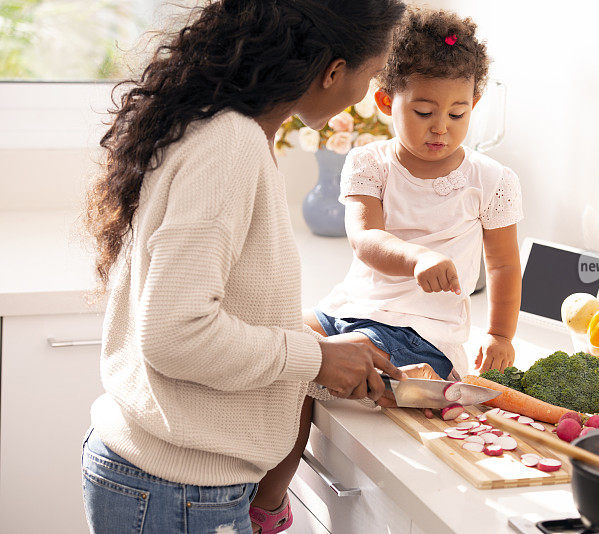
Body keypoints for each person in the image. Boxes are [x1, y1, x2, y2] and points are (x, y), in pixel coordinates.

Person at [81, 1, 406, 533]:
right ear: (331, 72)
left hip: (163, 484)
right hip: (173, 494)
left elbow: (220, 298)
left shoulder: (223, 128)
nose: (368, 93)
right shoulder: (229, 147)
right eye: (371, 74)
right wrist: (313, 357)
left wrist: (316, 349)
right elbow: (175, 335)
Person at [309, 7, 524, 380]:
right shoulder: (368, 162)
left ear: (472, 105)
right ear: (387, 102)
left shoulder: (491, 180)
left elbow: (504, 264)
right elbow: (364, 238)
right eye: (424, 112)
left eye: (457, 115)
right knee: (289, 347)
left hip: (422, 333)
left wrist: (500, 335)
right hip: (348, 307)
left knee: (354, 354)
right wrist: (417, 257)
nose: (440, 128)